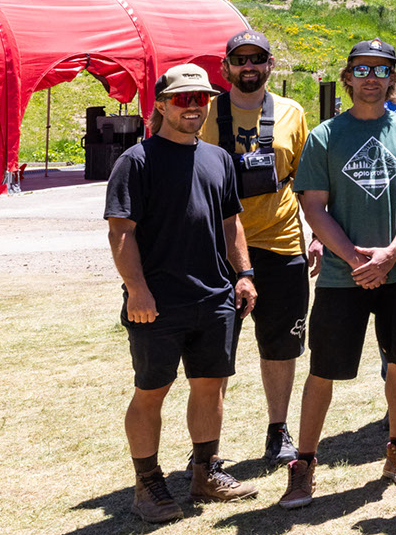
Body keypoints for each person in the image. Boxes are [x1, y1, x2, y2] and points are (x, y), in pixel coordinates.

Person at [282, 39, 396, 509]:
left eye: (382, 68)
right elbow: (313, 206)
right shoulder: (326, 136)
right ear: (347, 77)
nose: (372, 76)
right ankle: (304, 463)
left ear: (393, 76)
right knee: (323, 371)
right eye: (362, 68)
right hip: (340, 278)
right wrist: (354, 259)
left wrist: (391, 253)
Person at [108, 64, 260, 523]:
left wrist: (245, 273)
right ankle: (148, 483)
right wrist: (138, 290)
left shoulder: (217, 158)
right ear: (161, 104)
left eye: (201, 99)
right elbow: (121, 233)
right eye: (183, 99)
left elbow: (232, 222)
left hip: (215, 298)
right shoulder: (136, 161)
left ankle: (205, 472)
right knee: (151, 390)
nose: (193, 106)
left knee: (210, 387)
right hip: (157, 302)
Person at [199, 29, 311, 463]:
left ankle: (278, 430)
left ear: (270, 65)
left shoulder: (291, 112)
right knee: (215, 350)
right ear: (225, 67)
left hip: (281, 244)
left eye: (257, 59)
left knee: (281, 345)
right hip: (217, 247)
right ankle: (207, 448)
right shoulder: (201, 112)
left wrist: (315, 236)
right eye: (240, 60)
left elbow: (308, 182)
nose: (249, 67)